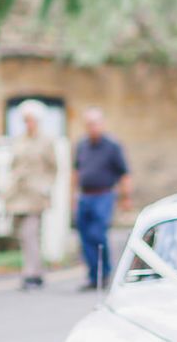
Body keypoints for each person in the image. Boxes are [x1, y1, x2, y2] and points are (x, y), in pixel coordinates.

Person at [73, 107, 132, 291]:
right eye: (88, 124)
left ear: (102, 124)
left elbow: (124, 173)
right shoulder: (81, 146)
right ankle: (92, 274)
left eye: (95, 124)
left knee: (98, 234)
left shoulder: (112, 146)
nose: (92, 128)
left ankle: (104, 272)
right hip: (85, 195)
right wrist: (73, 195)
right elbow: (76, 171)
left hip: (104, 194)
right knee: (84, 236)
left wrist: (125, 197)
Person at [3, 100, 58, 291]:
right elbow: (13, 166)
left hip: (35, 195)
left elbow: (53, 168)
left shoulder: (46, 141)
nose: (28, 124)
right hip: (18, 195)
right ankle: (37, 271)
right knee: (24, 236)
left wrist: (46, 186)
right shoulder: (18, 140)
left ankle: (30, 273)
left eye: (31, 120)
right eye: (26, 120)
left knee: (30, 233)